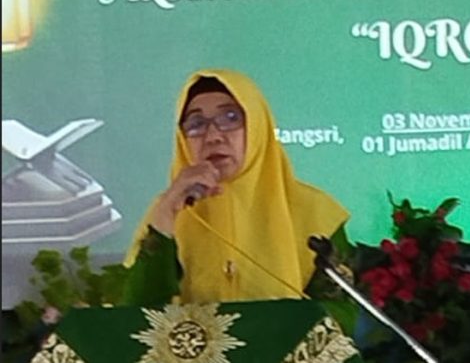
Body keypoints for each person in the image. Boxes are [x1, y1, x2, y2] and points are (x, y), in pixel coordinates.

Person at [122, 69, 350, 306]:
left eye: (230, 118)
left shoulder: (316, 212)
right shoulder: (169, 209)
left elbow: (340, 316)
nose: (212, 136)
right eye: (196, 124)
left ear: (258, 126)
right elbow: (136, 314)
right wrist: (165, 215)